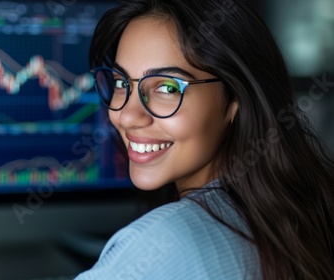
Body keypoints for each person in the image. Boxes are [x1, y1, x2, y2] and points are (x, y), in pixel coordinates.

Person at [75, 0, 334, 279]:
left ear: (236, 99)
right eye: (121, 82)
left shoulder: (163, 242)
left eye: (167, 87)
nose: (127, 116)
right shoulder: (300, 217)